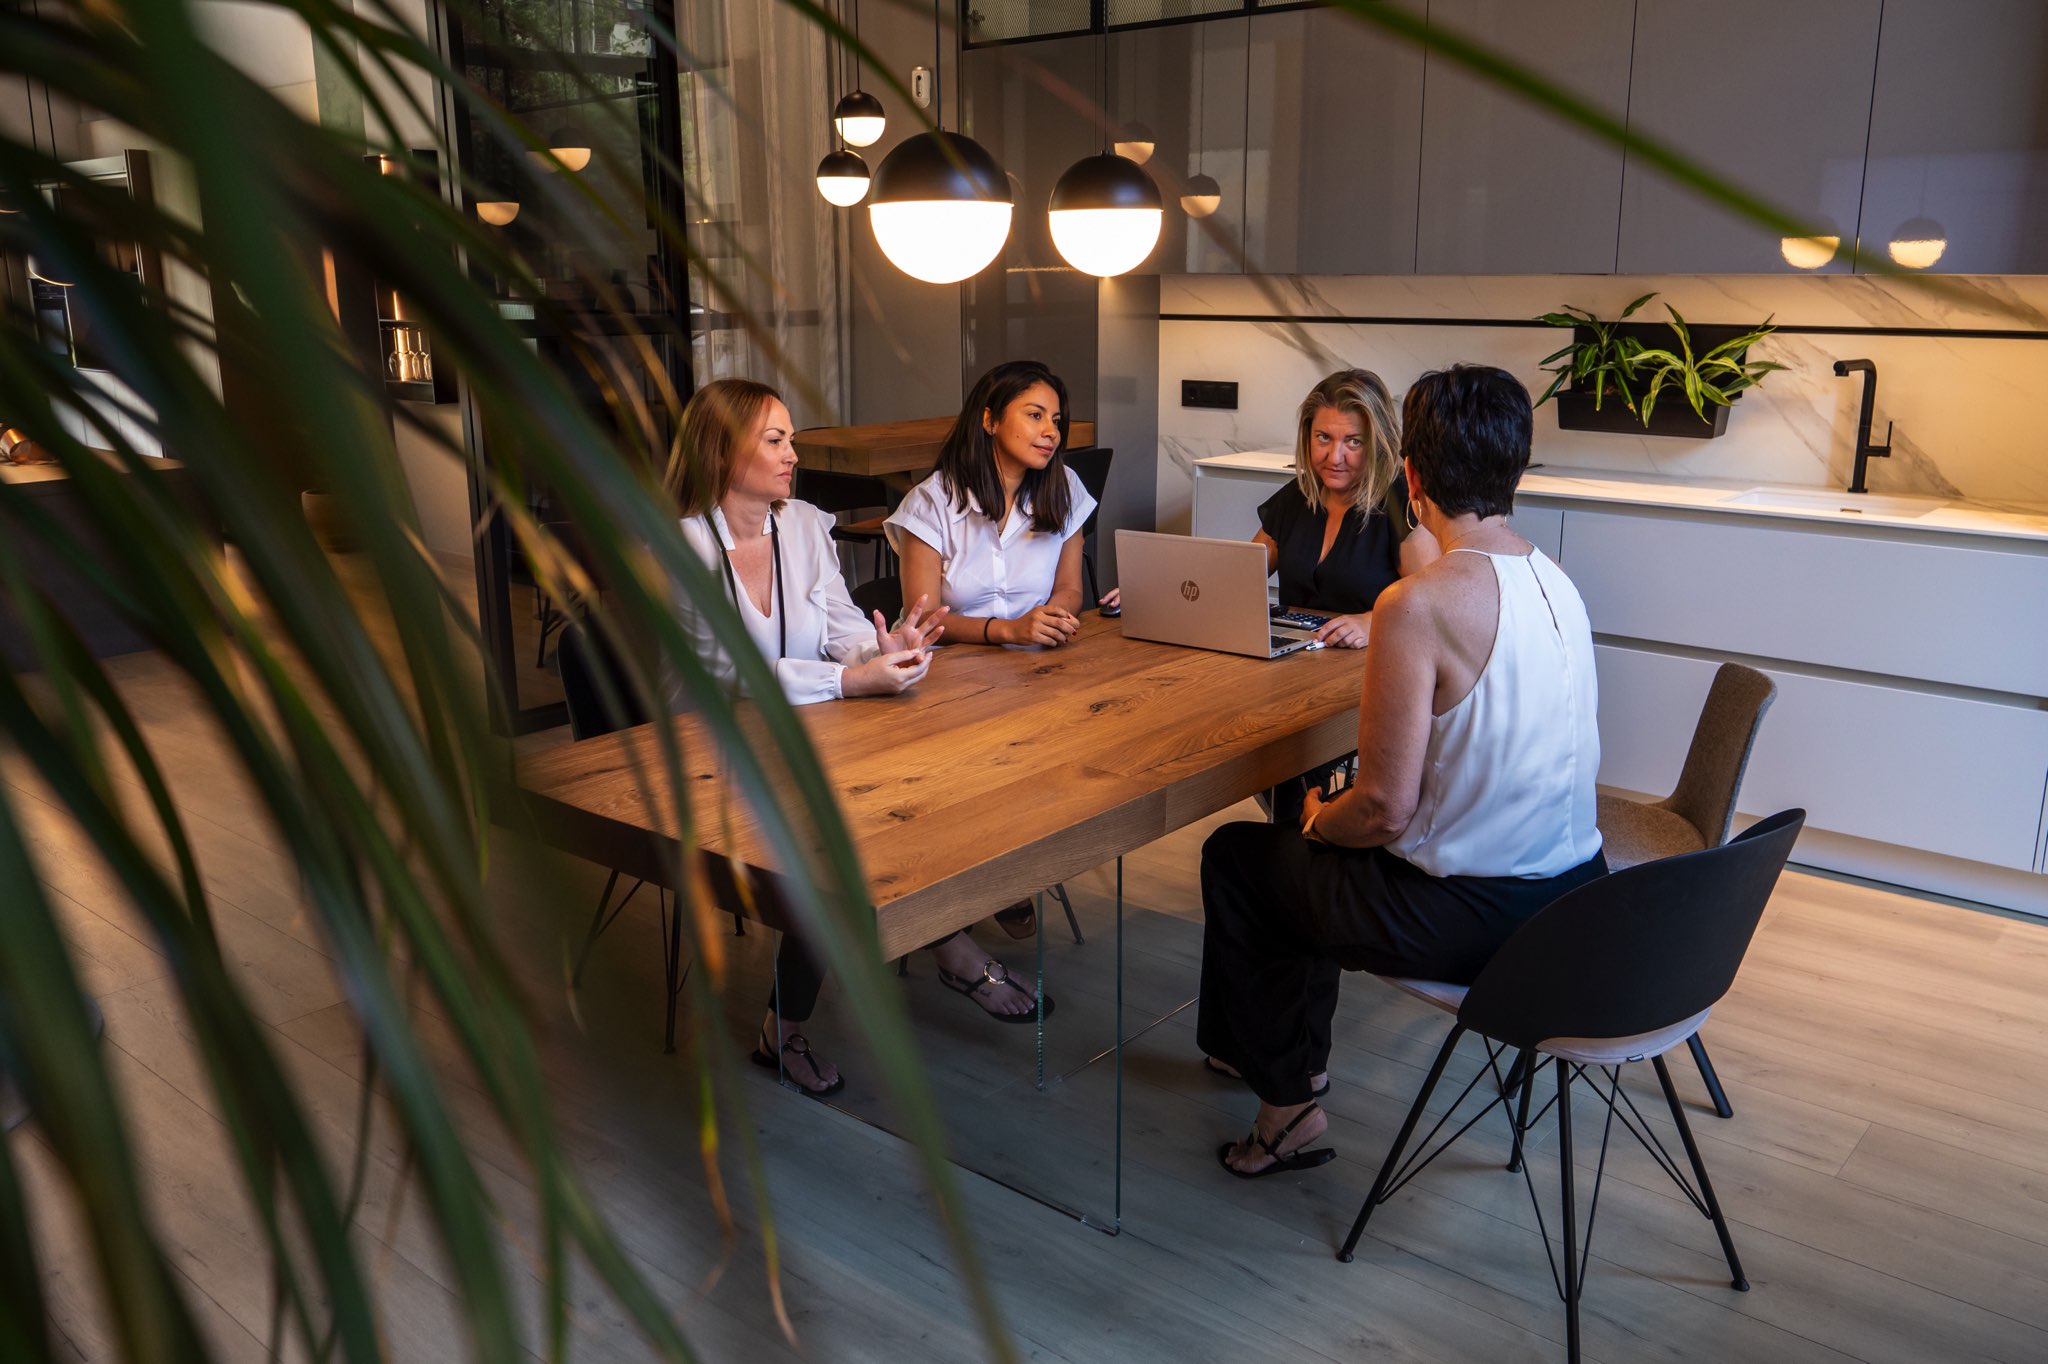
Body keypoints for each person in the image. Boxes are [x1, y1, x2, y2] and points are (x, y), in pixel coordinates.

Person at [1197, 365, 1608, 1178]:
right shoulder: (1557, 581)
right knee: (1300, 859)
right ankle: (1284, 1057)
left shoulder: (1418, 603)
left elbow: (1382, 810)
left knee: (1246, 859)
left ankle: (1287, 1108)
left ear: (1410, 475)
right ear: (1516, 469)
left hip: (1477, 918)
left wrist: (1319, 817)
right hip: (1579, 899)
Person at [664, 378, 948, 1095]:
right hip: (705, 757)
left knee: (920, 798)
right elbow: (727, 673)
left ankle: (951, 938)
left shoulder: (802, 526)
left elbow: (841, 624)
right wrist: (852, 684)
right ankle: (785, 1031)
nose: (794, 453)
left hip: (804, 737)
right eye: (776, 439)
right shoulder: (676, 545)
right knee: (835, 840)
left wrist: (880, 650)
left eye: (791, 438)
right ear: (723, 450)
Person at [880, 359, 1094, 999]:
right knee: (973, 777)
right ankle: (961, 910)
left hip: (1038, 675)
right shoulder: (933, 502)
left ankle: (1007, 878)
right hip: (947, 683)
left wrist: (1055, 619)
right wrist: (1007, 631)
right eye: (1034, 415)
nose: (1051, 430)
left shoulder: (1064, 489)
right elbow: (921, 620)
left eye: (1056, 418)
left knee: (1069, 759)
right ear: (989, 419)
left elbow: (1071, 588)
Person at [1252, 368, 1431, 827]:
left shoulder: (1398, 503)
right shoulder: (1298, 496)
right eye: (1323, 438)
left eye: (1353, 441)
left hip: (1364, 683)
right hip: (1291, 676)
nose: (1335, 457)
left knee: (1282, 753)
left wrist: (1374, 620)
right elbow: (1240, 575)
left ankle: (1304, 837)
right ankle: (1297, 839)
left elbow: (1433, 598)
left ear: (1377, 443)